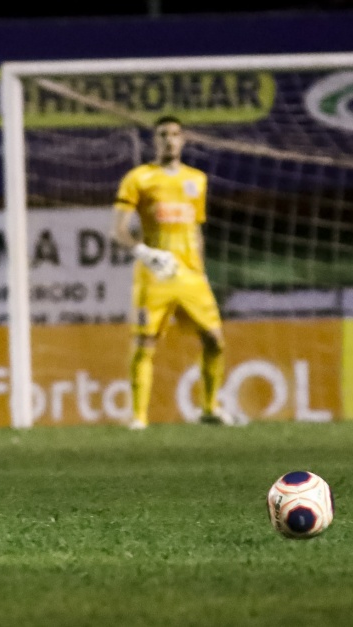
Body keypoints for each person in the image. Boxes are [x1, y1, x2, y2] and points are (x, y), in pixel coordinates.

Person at [110, 115, 244, 431]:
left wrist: (202, 271)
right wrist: (144, 252)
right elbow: (118, 231)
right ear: (154, 141)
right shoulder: (139, 178)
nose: (169, 140)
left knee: (214, 340)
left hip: (190, 275)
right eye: (163, 134)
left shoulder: (196, 180)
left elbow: (195, 230)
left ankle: (209, 408)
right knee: (145, 341)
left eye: (175, 134)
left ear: (183, 140)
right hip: (155, 274)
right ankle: (139, 417)